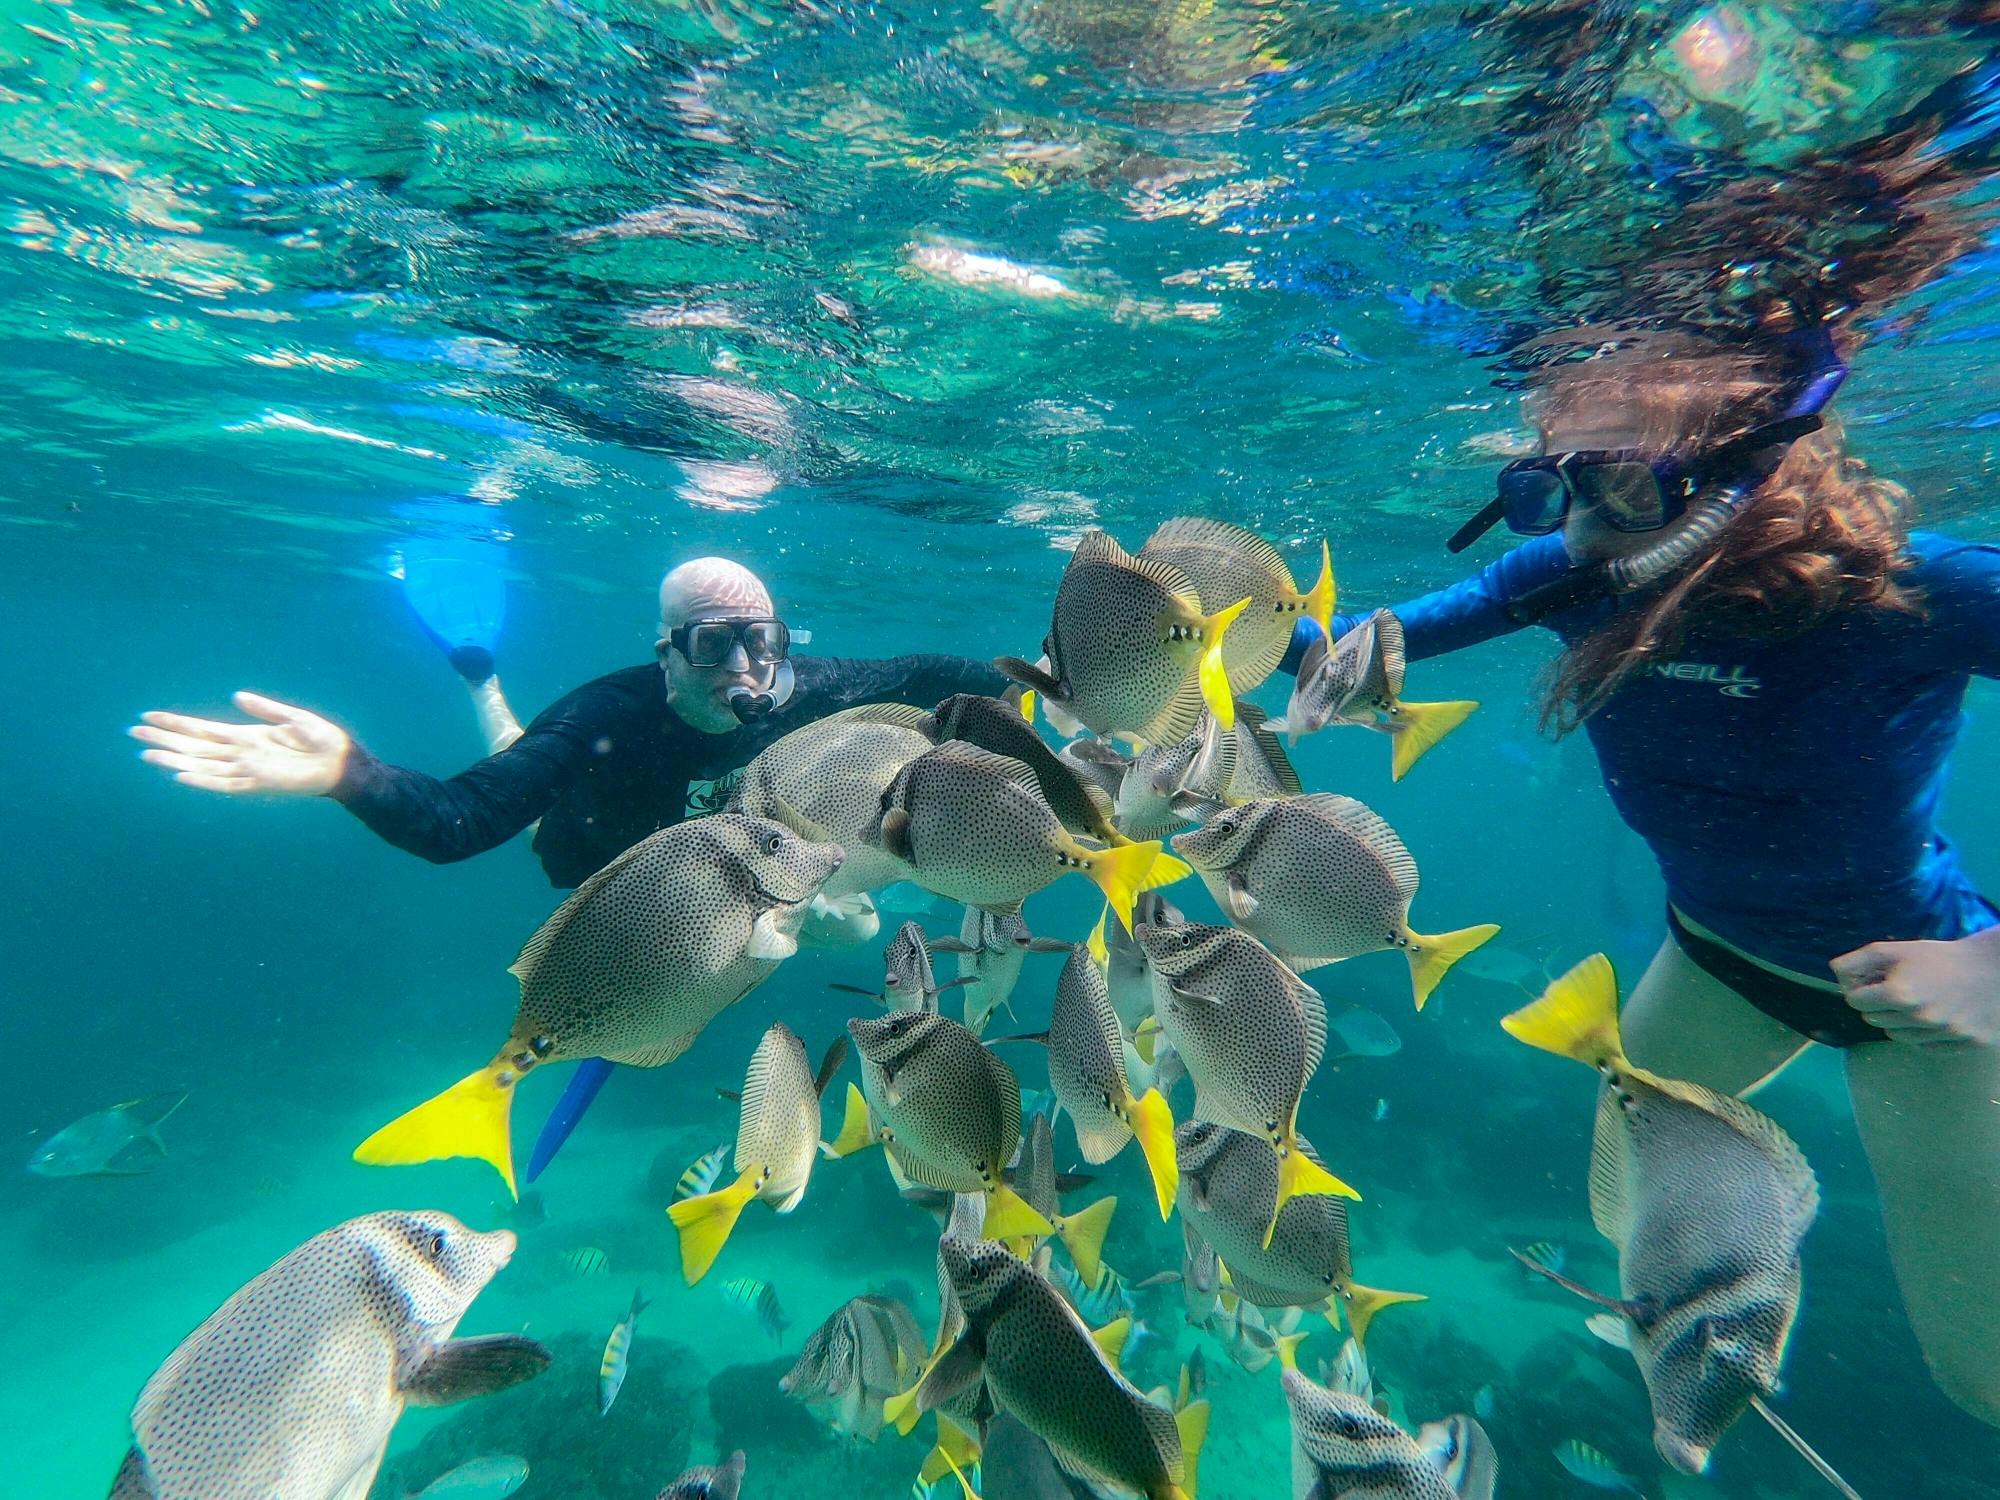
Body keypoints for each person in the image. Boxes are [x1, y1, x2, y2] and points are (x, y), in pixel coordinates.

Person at [1287, 334, 2000, 1426]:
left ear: (1746, 470)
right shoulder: (1567, 576)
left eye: (1619, 483)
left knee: (1980, 1370)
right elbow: (1354, 646)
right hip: (1711, 958)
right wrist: (1187, 630)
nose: (1578, 528)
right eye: (1550, 487)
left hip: (1921, 1006)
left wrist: (1990, 969)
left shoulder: (1908, 587)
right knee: (1636, 1197)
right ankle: (1735, 1326)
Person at [131, 555, 1008, 1174]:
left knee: (854, 920)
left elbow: (930, 669)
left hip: (743, 870)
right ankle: (481, 681)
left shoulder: (802, 685)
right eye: (711, 645)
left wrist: (1046, 684)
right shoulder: (607, 711)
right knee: (525, 775)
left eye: (762, 640)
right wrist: (344, 773)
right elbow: (458, 821)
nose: (744, 669)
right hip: (594, 853)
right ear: (667, 650)